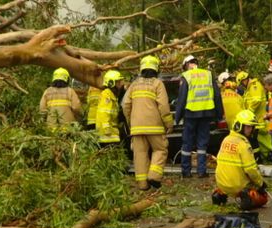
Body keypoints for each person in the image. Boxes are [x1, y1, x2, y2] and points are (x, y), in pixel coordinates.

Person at [122, 55, 173, 190]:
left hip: (137, 128)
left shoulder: (134, 85)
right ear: (156, 68)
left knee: (139, 154)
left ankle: (142, 184)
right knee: (160, 150)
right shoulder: (157, 83)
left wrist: (131, 121)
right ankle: (154, 176)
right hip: (154, 127)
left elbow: (125, 105)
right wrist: (169, 124)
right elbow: (163, 106)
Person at [175, 55, 224, 178]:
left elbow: (181, 99)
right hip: (206, 114)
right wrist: (219, 114)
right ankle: (201, 171)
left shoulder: (186, 76)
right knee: (202, 144)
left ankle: (186, 172)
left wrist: (177, 117)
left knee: (187, 144)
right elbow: (217, 96)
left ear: (186, 65)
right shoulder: (208, 74)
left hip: (190, 114)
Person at [213, 110, 268, 210]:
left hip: (221, 183)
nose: (250, 130)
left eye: (251, 127)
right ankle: (248, 196)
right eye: (248, 127)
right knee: (263, 198)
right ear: (239, 126)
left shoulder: (226, 139)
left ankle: (219, 194)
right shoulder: (244, 145)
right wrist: (261, 184)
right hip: (237, 185)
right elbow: (251, 170)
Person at [236, 71, 272, 161]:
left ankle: (260, 158)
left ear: (244, 80)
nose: (242, 85)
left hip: (258, 120)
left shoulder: (254, 86)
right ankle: (263, 157)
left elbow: (256, 100)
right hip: (256, 120)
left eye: (241, 83)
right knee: (259, 141)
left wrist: (248, 113)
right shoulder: (249, 89)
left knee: (257, 141)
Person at [96, 70, 125, 147]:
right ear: (111, 83)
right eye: (118, 82)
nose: (121, 85)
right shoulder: (107, 95)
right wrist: (106, 128)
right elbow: (104, 113)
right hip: (107, 134)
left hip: (112, 131)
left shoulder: (112, 96)